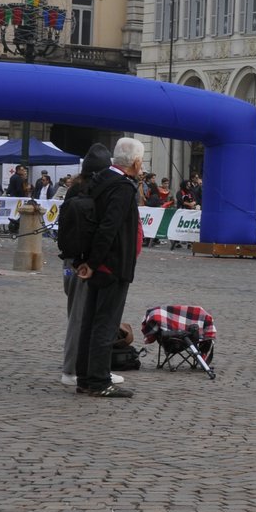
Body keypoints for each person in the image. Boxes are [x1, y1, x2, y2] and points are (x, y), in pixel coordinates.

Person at [73, 138, 145, 398]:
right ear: (136, 163)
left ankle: (84, 377)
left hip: (95, 263)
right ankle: (99, 381)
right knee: (106, 323)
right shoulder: (123, 188)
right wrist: (93, 263)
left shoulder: (98, 180)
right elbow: (109, 227)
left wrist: (86, 261)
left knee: (90, 322)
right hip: (112, 264)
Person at [58, 144, 112, 387]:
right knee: (80, 317)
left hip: (68, 263)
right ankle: (72, 370)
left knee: (76, 314)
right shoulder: (93, 191)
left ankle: (80, 366)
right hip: (81, 263)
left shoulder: (73, 190)